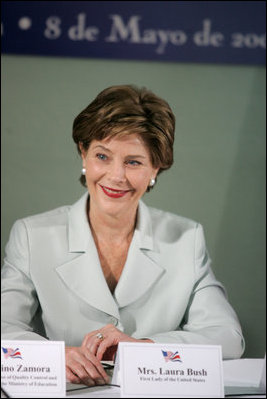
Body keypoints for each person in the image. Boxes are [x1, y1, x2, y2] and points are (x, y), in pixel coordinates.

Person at [1, 84, 245, 386]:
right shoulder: (31, 236)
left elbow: (228, 337)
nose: (116, 176)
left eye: (134, 162)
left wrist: (142, 348)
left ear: (156, 167)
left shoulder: (186, 238)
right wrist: (52, 356)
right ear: (83, 153)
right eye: (102, 156)